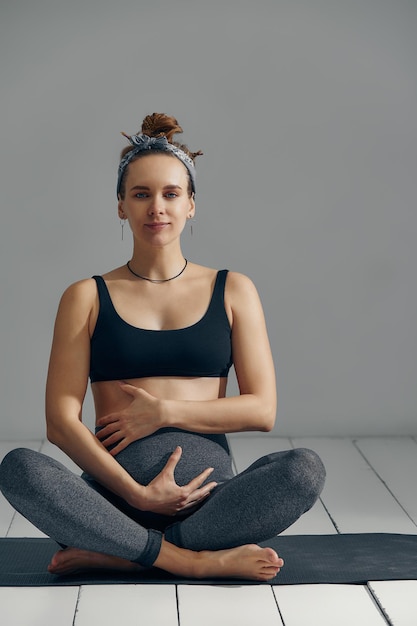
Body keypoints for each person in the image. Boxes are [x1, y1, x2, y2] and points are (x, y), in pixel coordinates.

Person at [0, 113, 325, 581]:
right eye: (141, 194)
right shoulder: (86, 296)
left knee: (303, 471)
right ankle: (186, 559)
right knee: (19, 469)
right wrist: (135, 494)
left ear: (191, 204)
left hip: (209, 507)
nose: (157, 207)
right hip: (112, 504)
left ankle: (120, 553)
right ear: (120, 206)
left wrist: (163, 412)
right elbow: (59, 423)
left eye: (171, 194)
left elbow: (262, 410)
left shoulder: (233, 289)